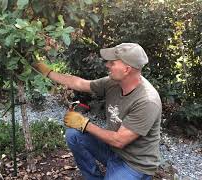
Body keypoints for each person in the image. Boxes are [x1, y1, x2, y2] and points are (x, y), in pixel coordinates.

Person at [33, 43, 161, 180]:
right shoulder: (113, 83)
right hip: (112, 150)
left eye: (112, 63)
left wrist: (84, 124)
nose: (107, 65)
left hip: (134, 164)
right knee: (74, 135)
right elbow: (79, 84)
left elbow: (119, 140)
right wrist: (48, 72)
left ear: (127, 69)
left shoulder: (147, 101)